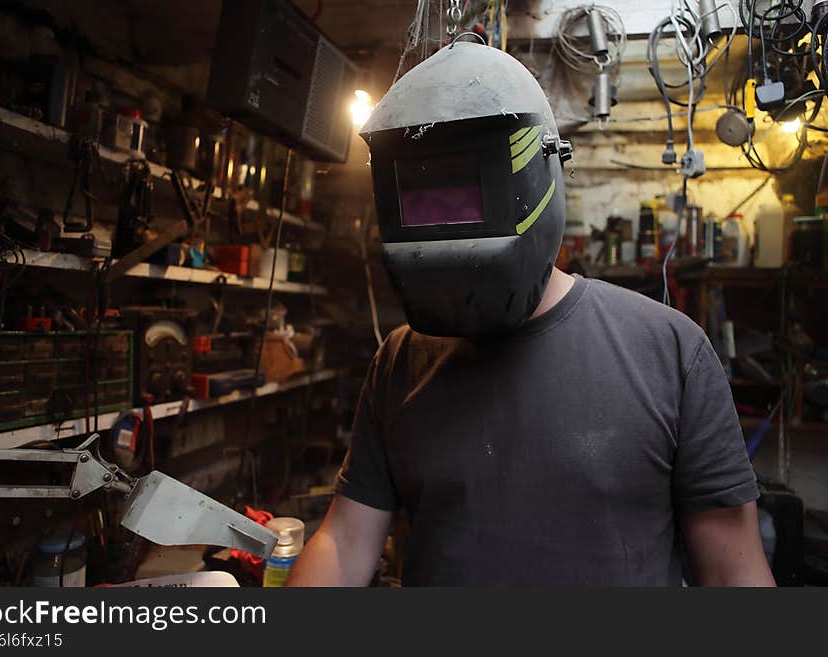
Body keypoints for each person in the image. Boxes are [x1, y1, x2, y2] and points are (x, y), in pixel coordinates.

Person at [287, 41, 775, 587]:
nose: (448, 232)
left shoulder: (670, 351)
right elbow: (346, 539)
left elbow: (735, 575)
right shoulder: (399, 361)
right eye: (425, 198)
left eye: (464, 194)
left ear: (541, 170)